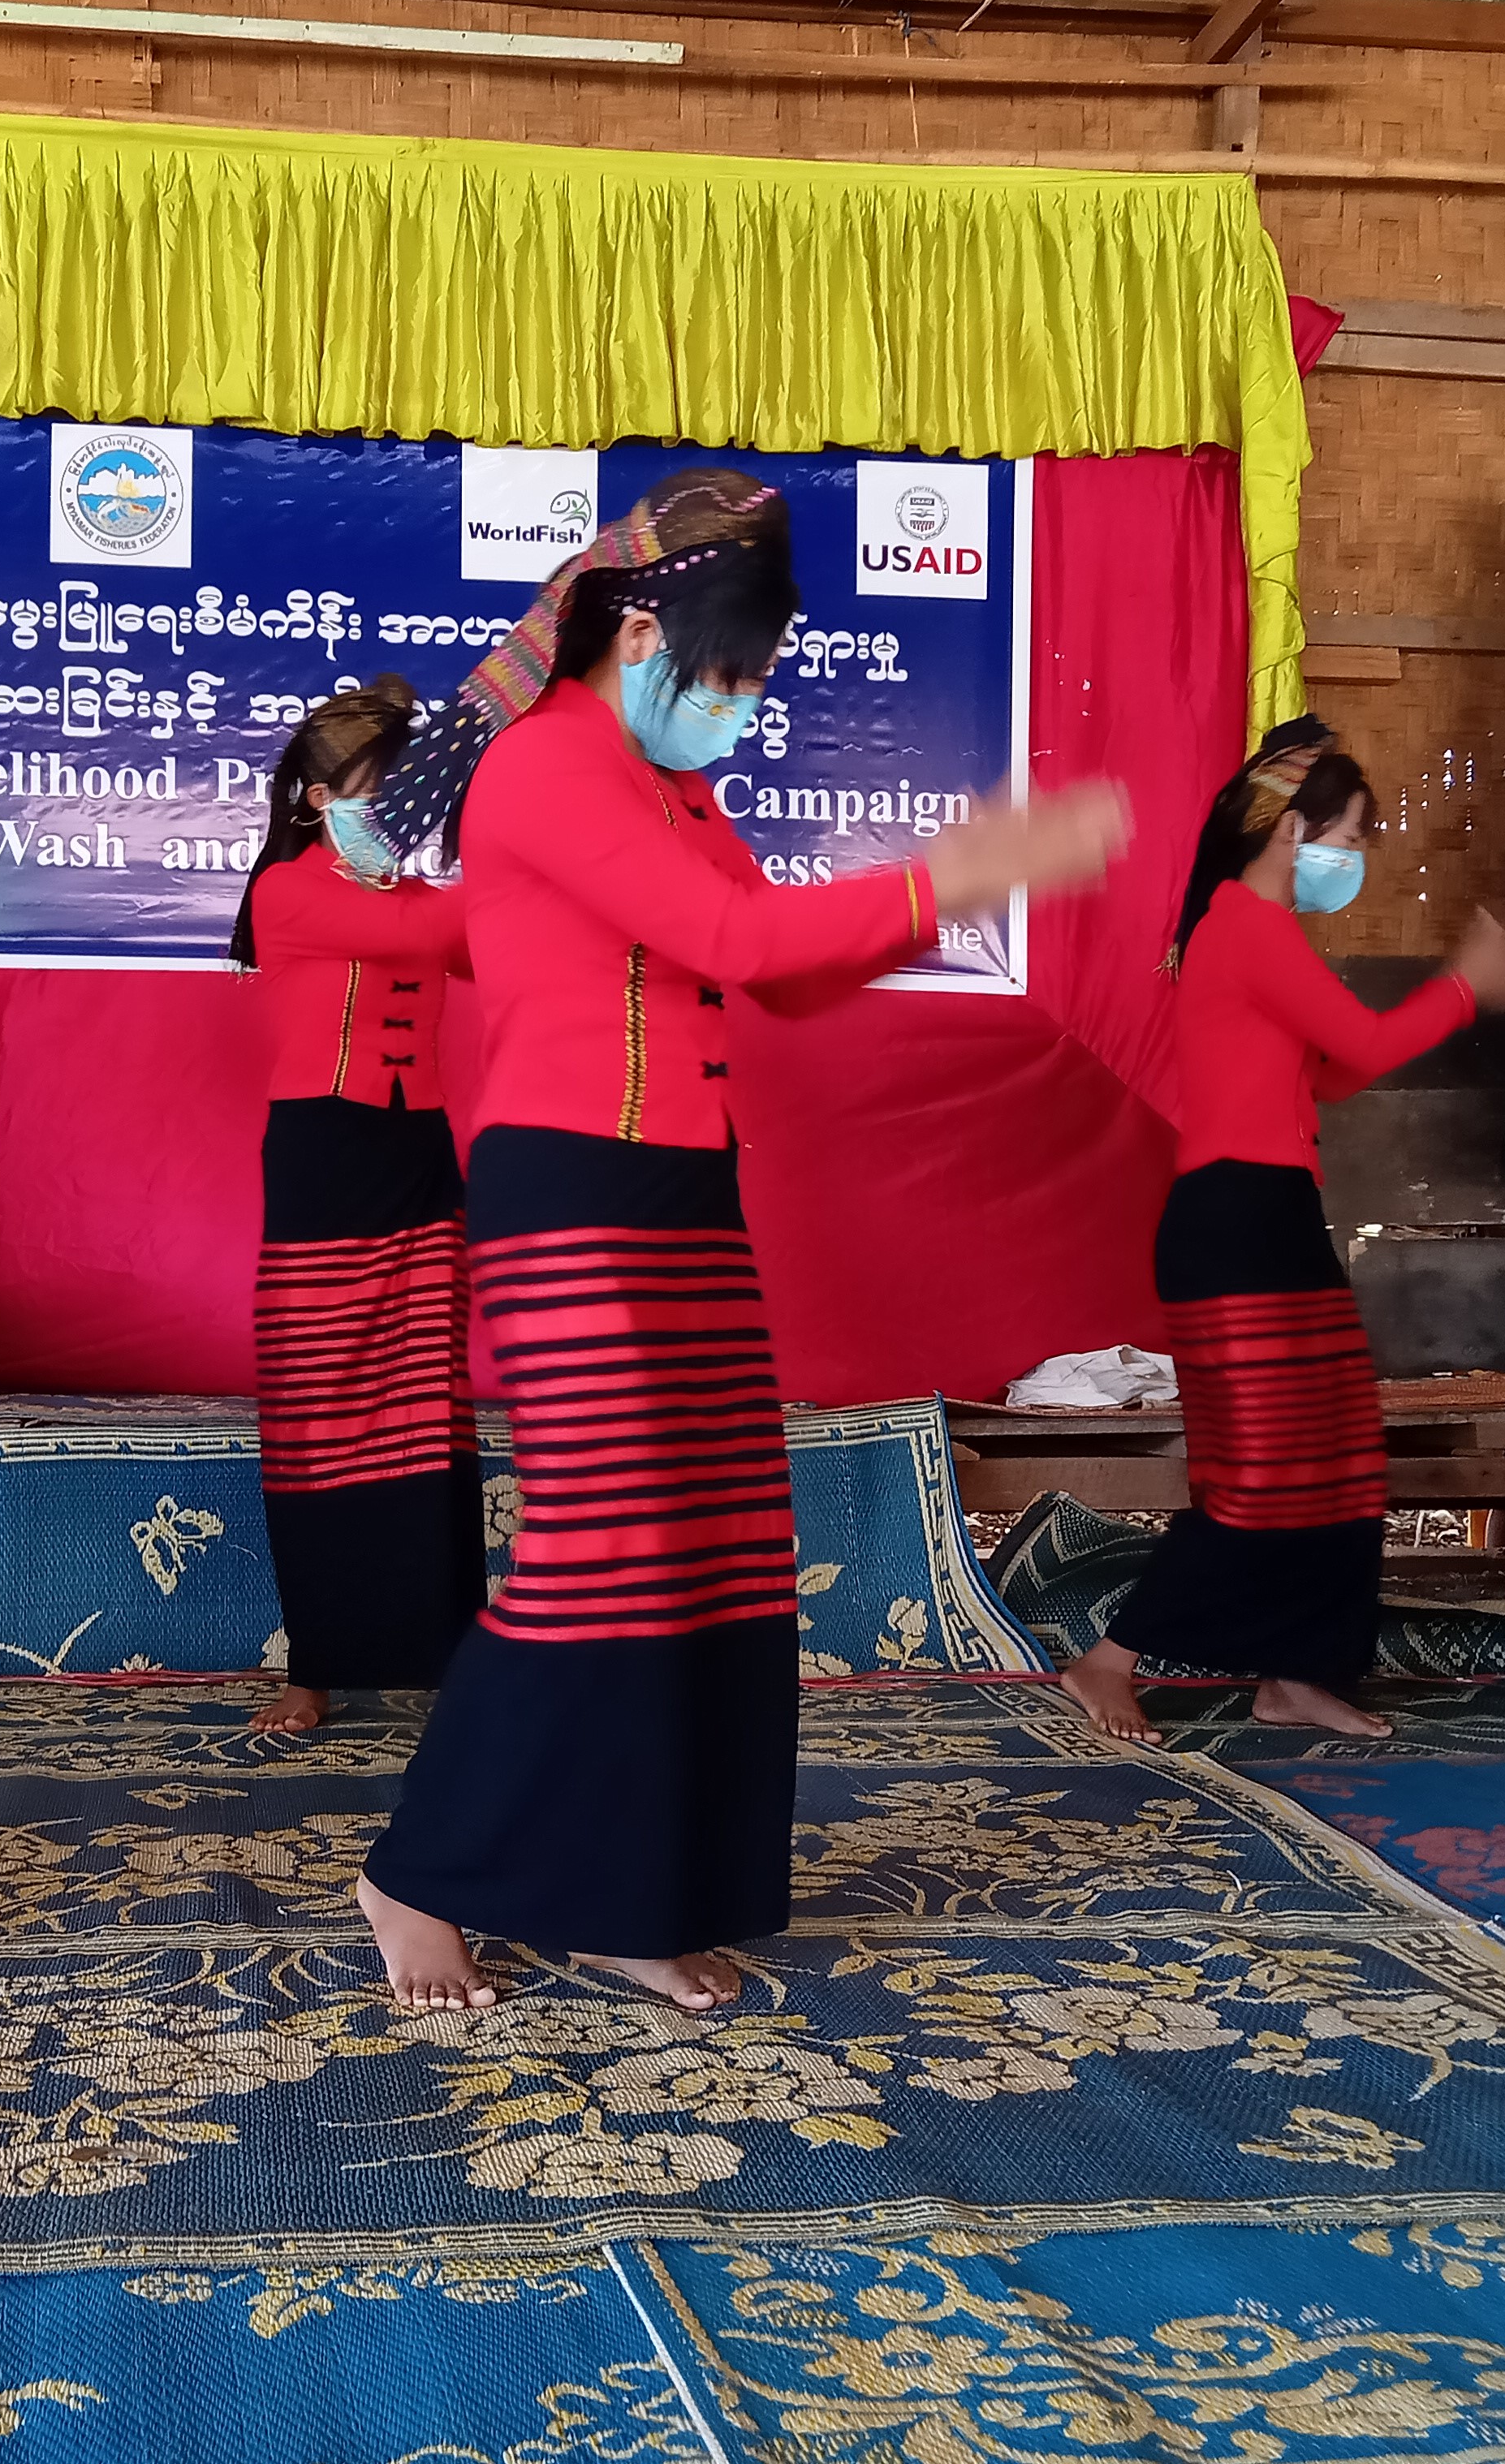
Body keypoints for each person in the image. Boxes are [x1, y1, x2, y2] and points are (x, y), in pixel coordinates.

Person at [347, 469, 1132, 2014]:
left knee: (710, 1560)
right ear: (637, 636)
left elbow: (778, 976)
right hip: (567, 1193)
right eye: (731, 677)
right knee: (600, 1553)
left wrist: (937, 902)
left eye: (759, 681)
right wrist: (955, 870)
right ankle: (415, 1869)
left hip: (678, 1197)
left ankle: (627, 1896)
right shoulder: (547, 770)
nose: (745, 708)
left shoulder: (671, 787)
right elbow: (737, 941)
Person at [1058, 746, 1505, 1747]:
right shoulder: (1244, 924)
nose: (1356, 853)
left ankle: (1295, 1673)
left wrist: (1426, 1008)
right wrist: (1464, 986)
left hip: (1270, 1217)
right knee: (1266, 1470)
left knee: (1340, 1463)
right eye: (1352, 833)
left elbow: (1325, 1078)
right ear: (1291, 830)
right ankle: (1108, 1661)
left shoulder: (1257, 936)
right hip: (1235, 1224)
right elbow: (1364, 1048)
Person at [232, 678, 481, 1734]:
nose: (397, 816)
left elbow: (481, 942)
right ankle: (317, 1665)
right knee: (317, 1414)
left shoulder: (415, 902)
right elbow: (449, 927)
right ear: (317, 797)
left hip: (419, 1152)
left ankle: (450, 1661)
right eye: (381, 793)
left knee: (429, 1412)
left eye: (407, 794)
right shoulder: (288, 892)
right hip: (326, 1160)